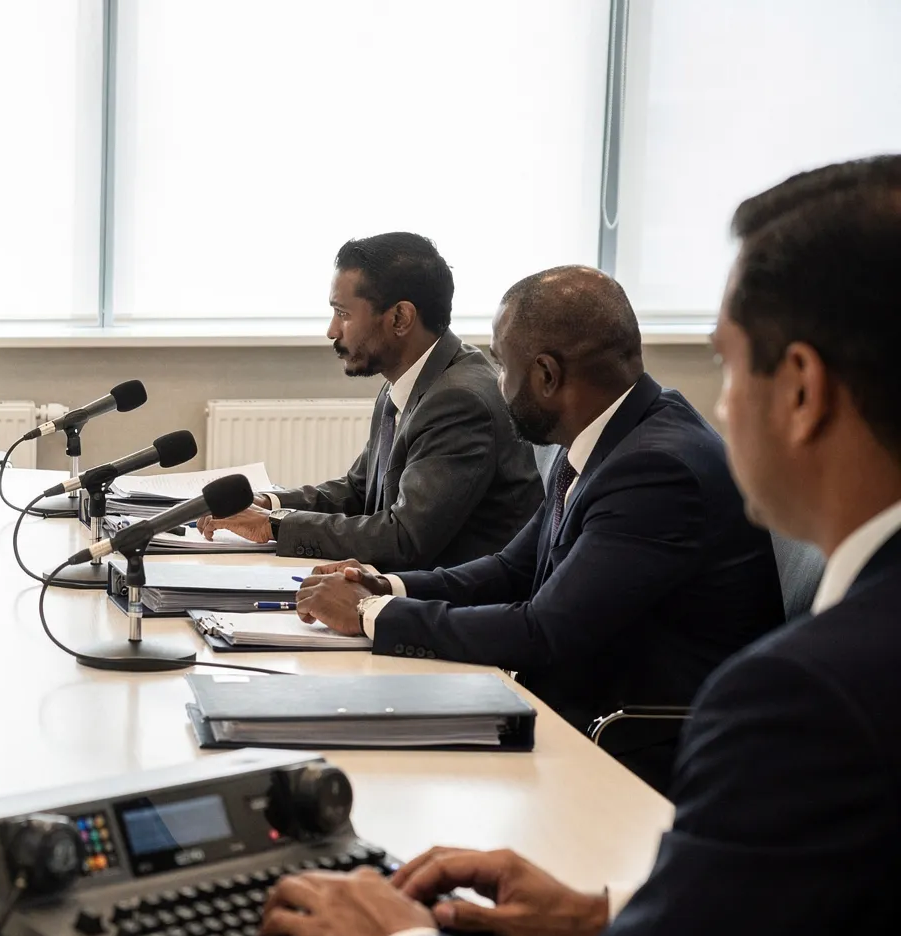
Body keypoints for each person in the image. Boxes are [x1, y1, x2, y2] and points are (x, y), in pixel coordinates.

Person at [260, 156, 901, 936]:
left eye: (730, 364)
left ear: (802, 389)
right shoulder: (595, 453)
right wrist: (602, 912)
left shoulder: (803, 700)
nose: (717, 403)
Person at [294, 265, 782, 792]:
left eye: (504, 367)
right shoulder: (608, 436)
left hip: (634, 746)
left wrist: (371, 615)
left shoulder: (658, 471)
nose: (497, 386)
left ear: (546, 375)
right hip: (580, 704)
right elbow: (513, 568)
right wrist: (387, 586)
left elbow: (545, 631)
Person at [197, 233, 541, 569]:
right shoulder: (408, 381)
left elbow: (404, 538)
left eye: (343, 314)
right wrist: (267, 504)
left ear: (400, 318)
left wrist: (275, 524)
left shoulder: (459, 401)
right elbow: (359, 492)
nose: (332, 331)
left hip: (454, 607)